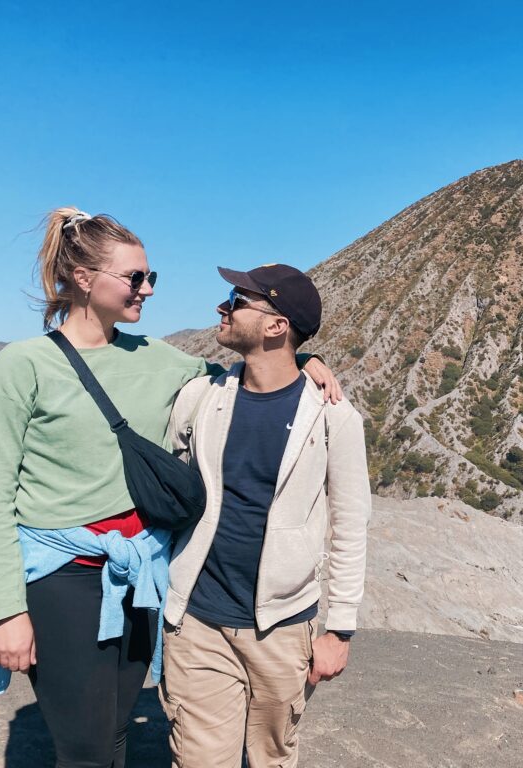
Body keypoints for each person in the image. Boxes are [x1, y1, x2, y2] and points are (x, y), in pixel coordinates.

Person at [0, 208, 341, 768]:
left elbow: (247, 374)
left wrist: (305, 358)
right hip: (63, 576)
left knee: (116, 729)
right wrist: (5, 613)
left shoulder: (159, 359)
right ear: (85, 278)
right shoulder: (23, 367)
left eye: (151, 277)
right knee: (86, 747)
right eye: (135, 278)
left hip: (144, 570)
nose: (147, 289)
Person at [161, 263, 371, 768]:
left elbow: (349, 527)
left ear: (277, 326)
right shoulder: (201, 396)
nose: (222, 308)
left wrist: (339, 630)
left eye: (237, 300)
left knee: (272, 759)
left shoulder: (332, 416)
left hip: (282, 630)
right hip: (197, 622)